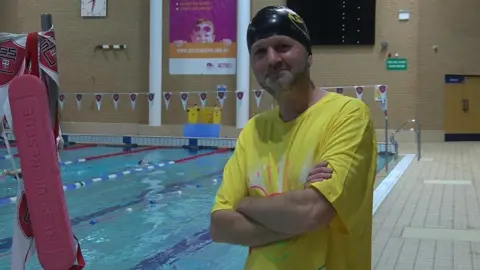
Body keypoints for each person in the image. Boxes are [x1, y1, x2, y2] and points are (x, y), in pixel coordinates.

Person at [209, 6, 377, 270]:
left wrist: (245, 204)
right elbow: (219, 226)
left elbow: (312, 212)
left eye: (283, 46)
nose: (273, 59)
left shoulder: (347, 115)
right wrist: (294, 219)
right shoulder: (253, 130)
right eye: (260, 52)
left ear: (309, 55)